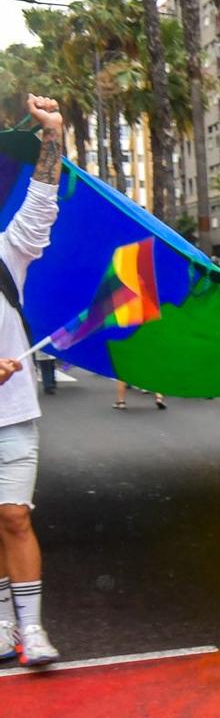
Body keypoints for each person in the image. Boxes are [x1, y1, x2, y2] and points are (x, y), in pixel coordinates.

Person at [0, 94, 65, 669]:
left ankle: (32, 629)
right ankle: (1, 625)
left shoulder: (6, 254)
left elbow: (41, 203)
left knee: (14, 515)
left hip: (13, 413)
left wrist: (53, 136)